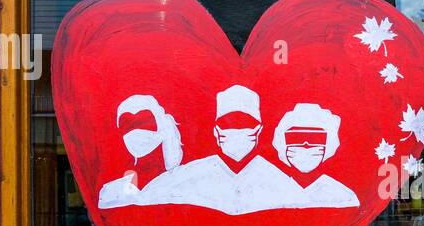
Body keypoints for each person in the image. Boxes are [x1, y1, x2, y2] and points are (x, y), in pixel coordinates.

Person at [97, 88, 357, 215]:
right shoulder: (186, 177)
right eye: (229, 125)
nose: (306, 148)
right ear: (216, 131)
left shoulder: (280, 182)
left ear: (259, 130)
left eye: (244, 124)